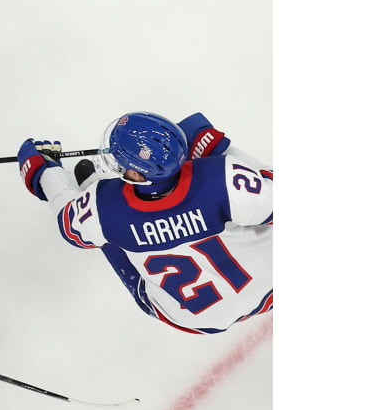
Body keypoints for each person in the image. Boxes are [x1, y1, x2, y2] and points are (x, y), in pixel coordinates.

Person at [18, 112, 273, 334]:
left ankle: (90, 185)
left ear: (138, 174)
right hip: (271, 288)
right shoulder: (222, 175)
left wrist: (45, 173)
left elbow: (69, 224)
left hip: (198, 319)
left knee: (103, 229)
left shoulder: (103, 206)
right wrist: (221, 151)